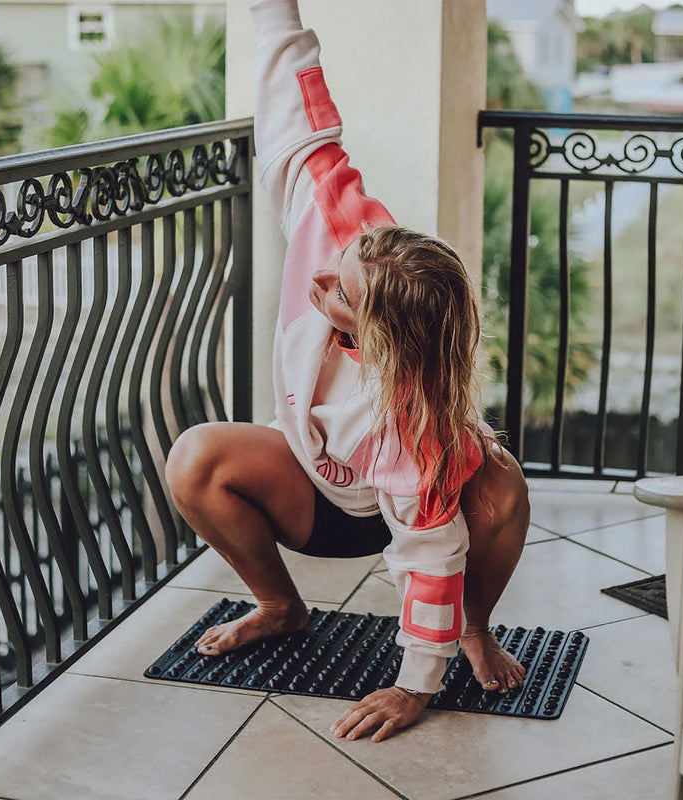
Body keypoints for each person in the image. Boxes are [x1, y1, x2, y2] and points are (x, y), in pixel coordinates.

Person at [165, 0, 530, 743]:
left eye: (340, 294)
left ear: (382, 335)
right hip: (313, 481)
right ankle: (279, 605)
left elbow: (429, 556)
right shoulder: (354, 242)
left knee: (501, 486)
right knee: (194, 457)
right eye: (340, 264)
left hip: (394, 508)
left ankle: (473, 628)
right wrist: (275, 11)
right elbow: (307, 130)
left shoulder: (410, 422)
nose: (319, 283)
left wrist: (412, 685)